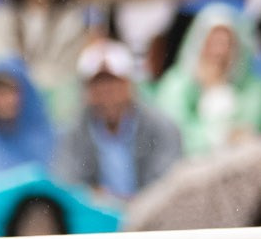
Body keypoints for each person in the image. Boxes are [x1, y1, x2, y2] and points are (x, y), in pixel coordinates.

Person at [51, 42, 184, 203]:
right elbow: (67, 182)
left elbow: (167, 184)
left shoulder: (162, 127)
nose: (106, 92)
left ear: (129, 84)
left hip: (151, 217)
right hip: (97, 220)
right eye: (97, 84)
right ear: (86, 91)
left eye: (113, 82)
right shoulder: (72, 131)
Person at [145, 4, 261, 158]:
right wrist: (219, 136)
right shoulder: (176, 83)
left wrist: (218, 88)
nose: (219, 51)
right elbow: (173, 135)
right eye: (213, 42)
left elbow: (248, 129)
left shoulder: (252, 86)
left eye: (226, 43)